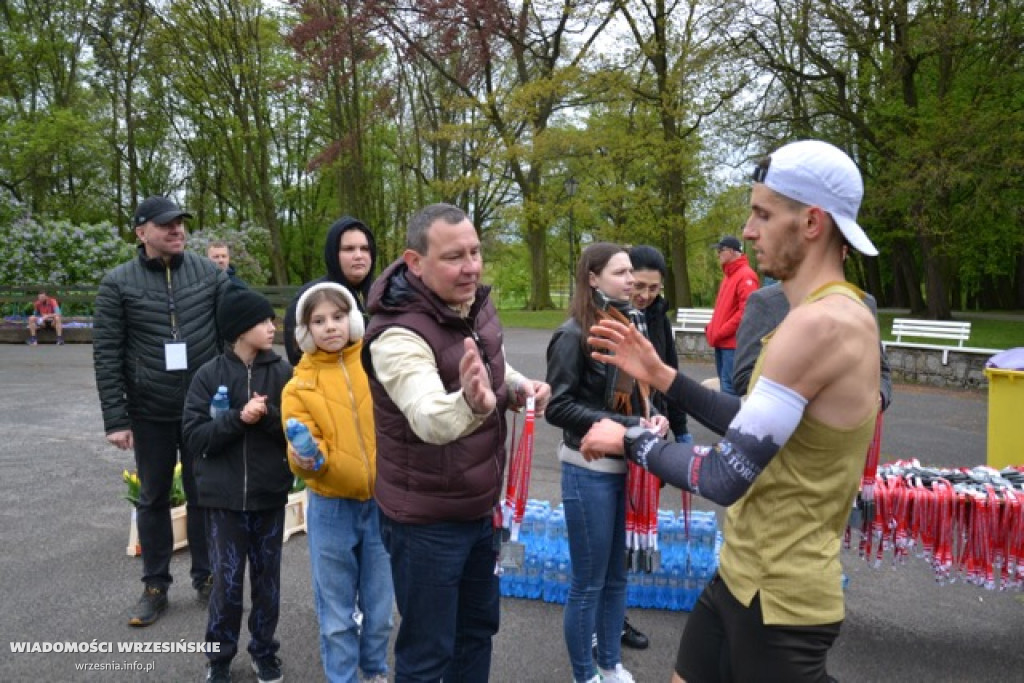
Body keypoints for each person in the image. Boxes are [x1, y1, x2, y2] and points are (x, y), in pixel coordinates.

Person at [580, 139, 881, 683]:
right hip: (741, 578)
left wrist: (628, 440)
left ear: (811, 222)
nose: (747, 229)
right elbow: (753, 423)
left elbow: (724, 476)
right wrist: (663, 375)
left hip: (780, 602)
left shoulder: (820, 325)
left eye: (763, 213)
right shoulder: (825, 312)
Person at [362, 202, 550, 682]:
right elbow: (428, 416)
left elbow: (492, 371)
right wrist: (474, 402)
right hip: (425, 523)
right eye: (453, 257)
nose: (470, 267)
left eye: (475, 252)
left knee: (476, 633)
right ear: (415, 262)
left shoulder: (475, 306)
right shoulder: (395, 334)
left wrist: (517, 387)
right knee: (428, 655)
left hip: (480, 511)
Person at [93, 195, 229, 627]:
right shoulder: (118, 283)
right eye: (166, 224)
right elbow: (107, 354)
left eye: (180, 223)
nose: (177, 230)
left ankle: (207, 578)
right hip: (149, 411)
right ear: (141, 232)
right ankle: (155, 586)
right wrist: (116, 418)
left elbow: (231, 332)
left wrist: (230, 394)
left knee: (203, 492)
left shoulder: (209, 273)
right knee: (152, 498)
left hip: (201, 409)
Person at [546, 243, 669, 683]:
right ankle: (585, 674)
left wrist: (655, 418)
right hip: (589, 472)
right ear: (592, 278)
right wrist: (626, 423)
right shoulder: (573, 334)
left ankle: (610, 665)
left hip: (629, 470)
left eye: (631, 272)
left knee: (617, 578)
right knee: (588, 584)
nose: (631, 279)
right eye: (620, 272)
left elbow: (645, 393)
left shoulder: (632, 328)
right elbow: (557, 408)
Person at [281, 282, 392, 683]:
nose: (331, 326)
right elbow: (308, 464)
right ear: (304, 331)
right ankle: (342, 677)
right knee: (335, 613)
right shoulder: (298, 387)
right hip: (330, 509)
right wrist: (306, 456)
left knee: (380, 611)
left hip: (382, 503)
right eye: (319, 320)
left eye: (339, 316)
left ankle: (376, 670)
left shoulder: (377, 364)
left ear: (355, 319)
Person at [181, 286, 292, 683]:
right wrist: (237, 419)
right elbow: (194, 436)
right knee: (226, 586)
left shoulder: (282, 372)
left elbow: (295, 431)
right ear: (240, 329)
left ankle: (264, 652)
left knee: (267, 583)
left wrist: (264, 417)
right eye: (263, 321)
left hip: (268, 497)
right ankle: (218, 658)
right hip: (224, 501)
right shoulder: (209, 375)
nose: (271, 326)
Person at [733, 280, 893, 410]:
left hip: (853, 442)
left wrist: (879, 397)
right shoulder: (766, 302)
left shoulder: (863, 302)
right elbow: (744, 377)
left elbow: (881, 370)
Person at [284, 217, 376, 366]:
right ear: (333, 254)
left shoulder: (382, 294)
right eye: (349, 249)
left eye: (365, 249)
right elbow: (296, 356)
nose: (359, 256)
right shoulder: (311, 296)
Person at [704, 235, 758, 395]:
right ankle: (726, 420)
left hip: (732, 345)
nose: (718, 254)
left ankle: (730, 421)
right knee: (725, 387)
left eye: (721, 250)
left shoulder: (745, 275)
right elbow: (723, 310)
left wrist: (721, 331)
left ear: (733, 252)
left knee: (730, 389)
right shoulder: (729, 276)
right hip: (722, 343)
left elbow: (746, 311)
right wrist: (711, 329)